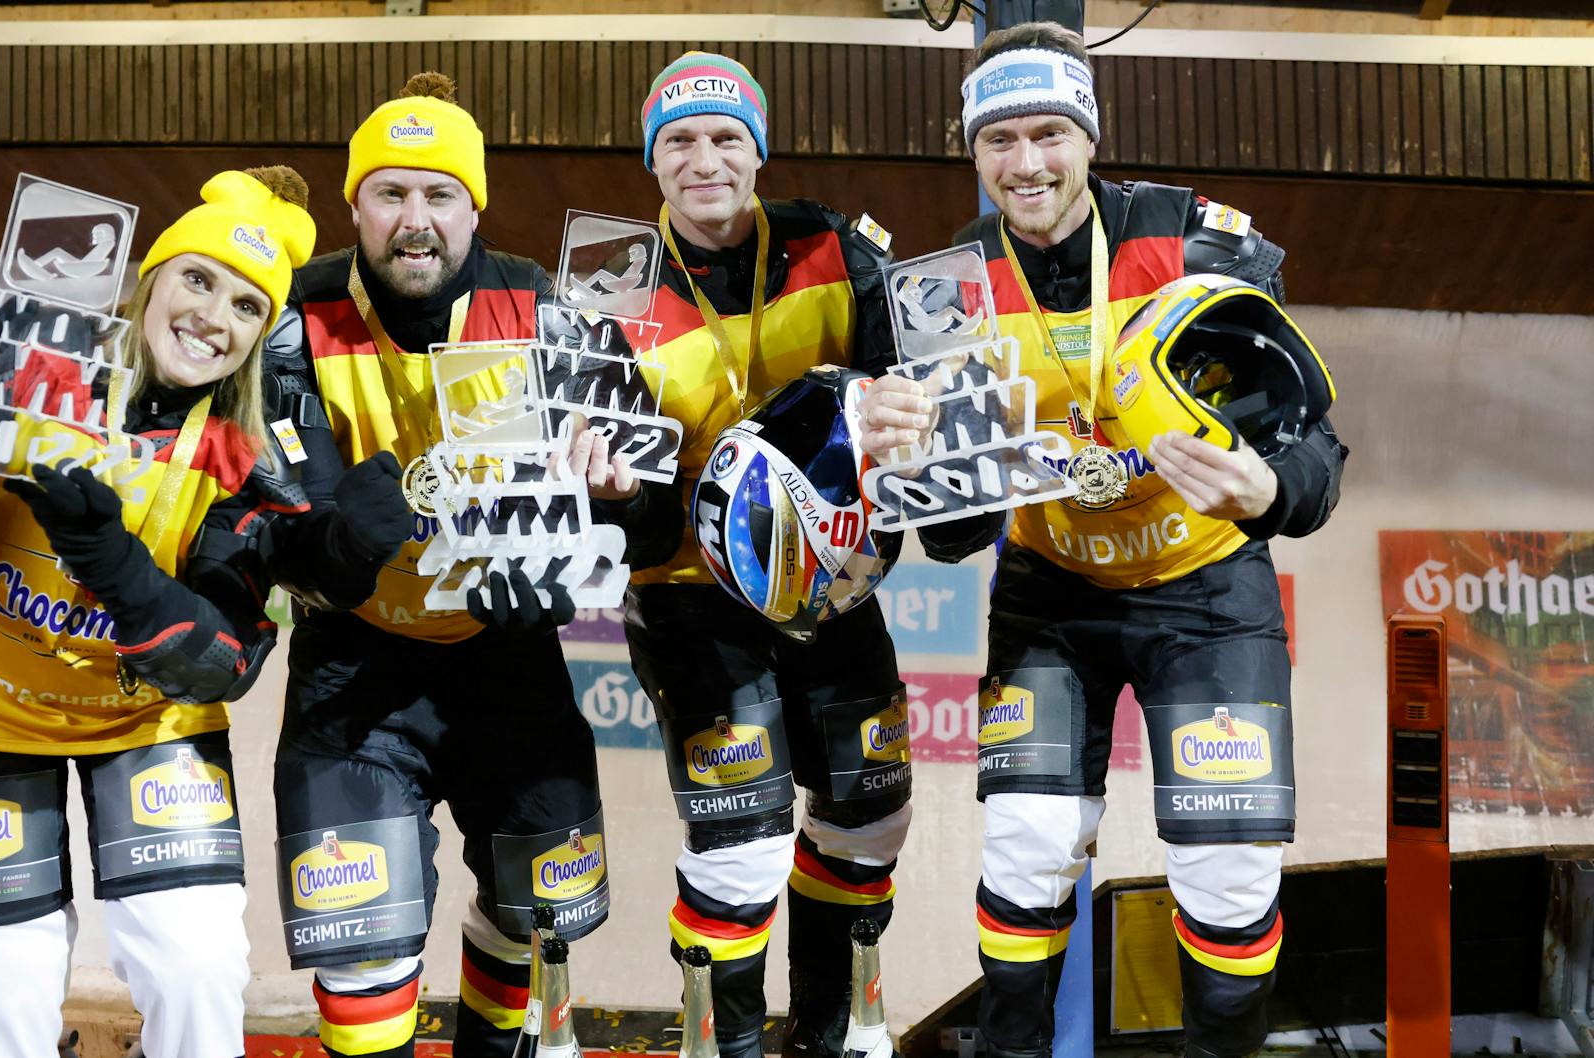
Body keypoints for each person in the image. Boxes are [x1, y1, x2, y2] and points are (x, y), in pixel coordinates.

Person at [857, 23, 1349, 1058]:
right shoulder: (938, 290)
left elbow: (1310, 442)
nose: (1025, 163)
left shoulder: (1191, 239)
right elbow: (952, 538)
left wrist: (1267, 487)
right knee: (1026, 851)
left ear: (1089, 133)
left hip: (1206, 592)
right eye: (997, 140)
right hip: (1052, 595)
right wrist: (913, 470)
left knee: (1228, 879)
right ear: (970, 151)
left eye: (1046, 133)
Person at [0, 166, 323, 1057]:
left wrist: (111, 562)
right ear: (150, 283)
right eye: (197, 279)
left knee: (197, 973)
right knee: (3, 1007)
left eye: (244, 306)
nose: (212, 317)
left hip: (148, 723)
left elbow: (225, 659)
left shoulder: (249, 460)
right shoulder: (32, 379)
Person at [574, 50, 913, 1058]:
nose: (703, 156)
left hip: (833, 583)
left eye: (725, 135)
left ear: (757, 151)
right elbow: (618, 519)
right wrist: (611, 492)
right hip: (685, 591)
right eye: (677, 138)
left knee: (869, 814)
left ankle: (824, 1031)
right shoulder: (607, 288)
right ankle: (717, 1044)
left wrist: (911, 416)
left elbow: (911, 401)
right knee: (743, 838)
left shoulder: (838, 248)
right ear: (652, 161)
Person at [264, 72, 608, 1058]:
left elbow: (609, 483)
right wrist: (328, 543)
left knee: (532, 917)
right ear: (353, 204)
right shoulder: (294, 313)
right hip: (355, 662)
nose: (414, 221)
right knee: (360, 942)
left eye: (438, 194)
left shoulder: (543, 305)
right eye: (389, 192)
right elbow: (267, 520)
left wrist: (567, 544)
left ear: (475, 207)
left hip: (504, 651)